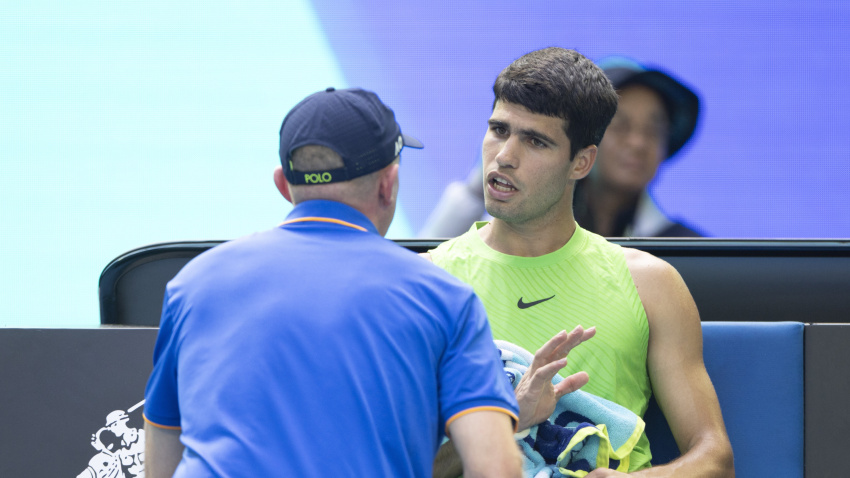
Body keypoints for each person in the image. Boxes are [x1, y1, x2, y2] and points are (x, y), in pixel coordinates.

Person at [143, 87, 523, 478]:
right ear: (388, 184)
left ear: (283, 185)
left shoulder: (191, 285)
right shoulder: (444, 299)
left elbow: (162, 449)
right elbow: (495, 468)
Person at [425, 48, 733, 476]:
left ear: (582, 161)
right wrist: (507, 418)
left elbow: (715, 459)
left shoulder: (652, 283)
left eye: (535, 140)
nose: (505, 156)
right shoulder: (424, 282)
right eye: (498, 129)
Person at [419, 57, 703, 238]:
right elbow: (422, 272)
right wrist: (481, 185)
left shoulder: (688, 248)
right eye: (621, 126)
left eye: (653, 131)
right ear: (582, 145)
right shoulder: (521, 227)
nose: (638, 143)